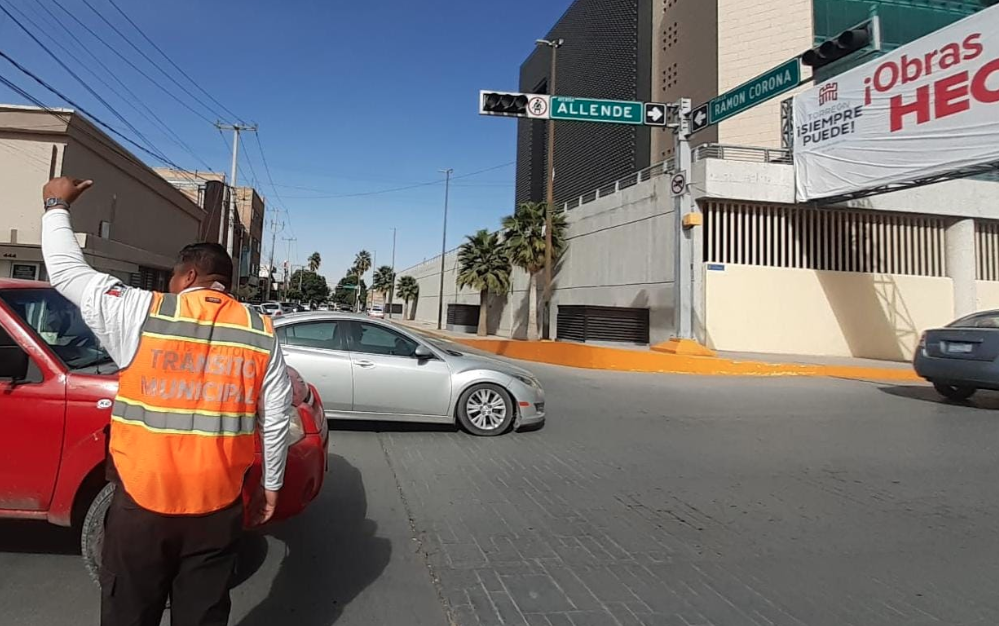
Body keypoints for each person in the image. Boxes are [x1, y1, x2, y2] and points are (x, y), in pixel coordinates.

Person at [39, 177, 293, 626]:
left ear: (189, 275)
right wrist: (271, 486)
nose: (171, 283)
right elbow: (274, 421)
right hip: (217, 506)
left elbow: (65, 271)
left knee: (130, 610)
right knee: (202, 612)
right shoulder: (260, 332)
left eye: (174, 275)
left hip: (142, 503)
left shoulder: (142, 310)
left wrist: (56, 203)